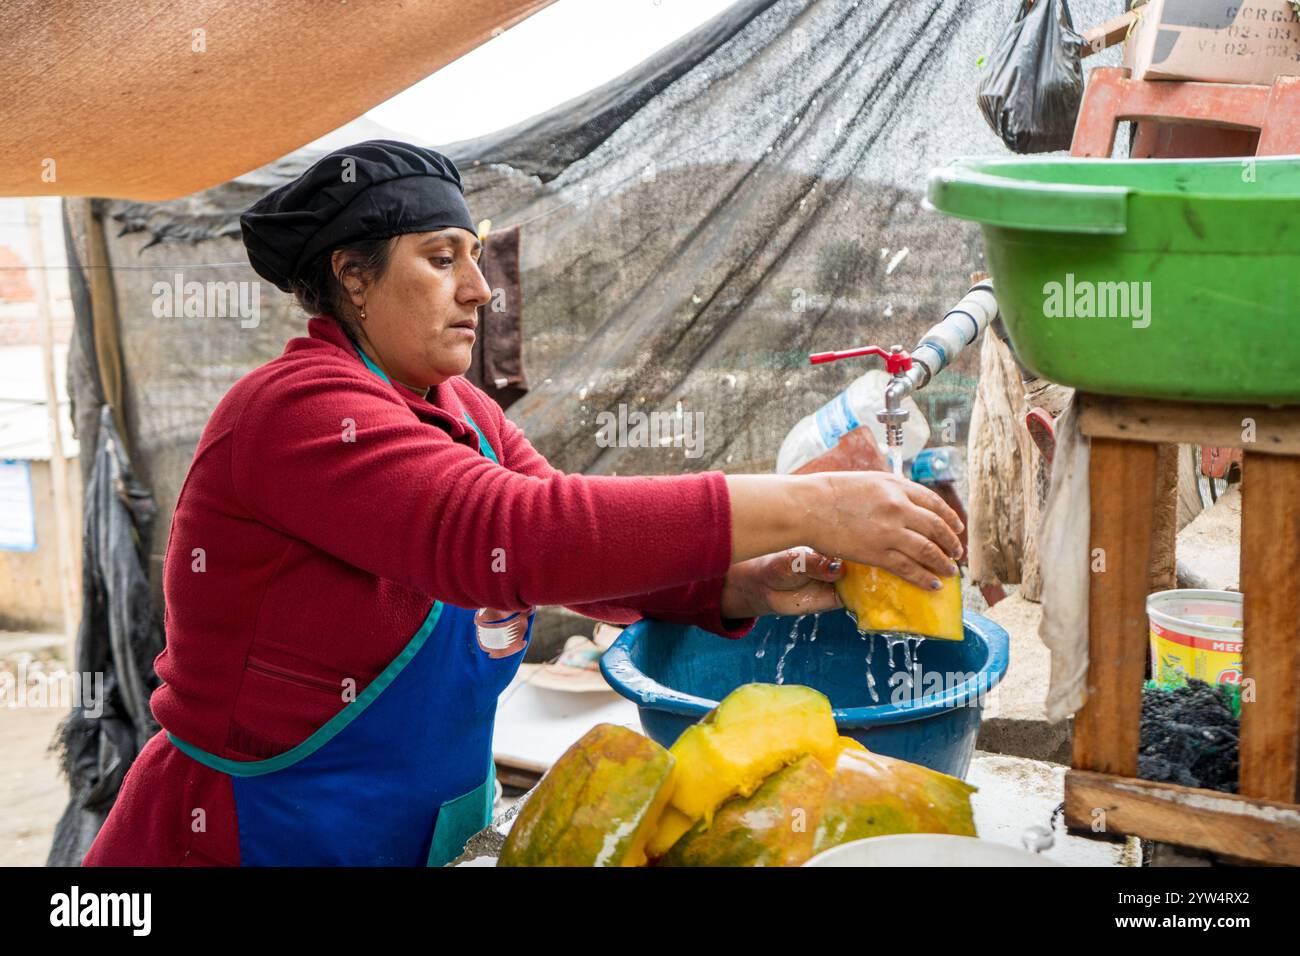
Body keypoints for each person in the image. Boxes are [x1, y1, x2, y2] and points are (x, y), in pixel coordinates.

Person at [83, 141, 962, 866]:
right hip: (249, 837)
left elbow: (575, 547)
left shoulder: (462, 412)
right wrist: (814, 506)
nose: (480, 287)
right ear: (352, 277)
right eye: (441, 259)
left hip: (424, 835)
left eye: (475, 255)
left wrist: (742, 584)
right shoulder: (296, 414)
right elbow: (509, 534)